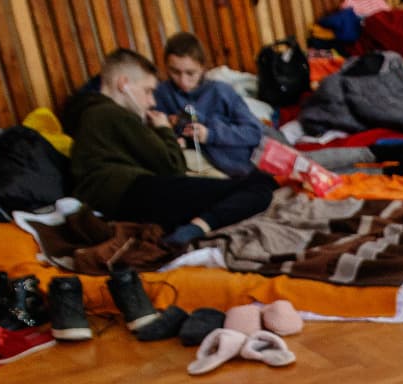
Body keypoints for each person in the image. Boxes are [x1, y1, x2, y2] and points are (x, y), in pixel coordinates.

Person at [61, 49, 276, 250]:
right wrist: (164, 130)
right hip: (129, 192)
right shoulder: (112, 114)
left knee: (252, 186)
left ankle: (196, 226)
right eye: (148, 91)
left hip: (119, 193)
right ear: (123, 84)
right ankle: (195, 229)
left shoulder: (90, 113)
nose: (151, 100)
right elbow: (173, 167)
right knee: (260, 186)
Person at [153, 32, 271, 178]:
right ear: (166, 66)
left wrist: (211, 135)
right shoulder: (161, 93)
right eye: (175, 72)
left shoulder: (220, 91)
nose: (183, 81)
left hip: (236, 163)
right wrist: (170, 131)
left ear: (203, 67)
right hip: (192, 163)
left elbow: (254, 132)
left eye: (190, 73)